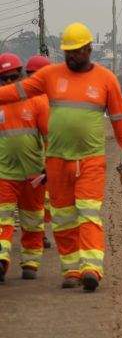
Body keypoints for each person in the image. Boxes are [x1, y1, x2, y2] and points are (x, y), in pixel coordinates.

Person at [0, 22, 122, 292]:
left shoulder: (106, 79)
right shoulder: (50, 75)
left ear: (89, 49)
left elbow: (120, 119)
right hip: (56, 161)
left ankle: (91, 269)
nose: (71, 56)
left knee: (88, 214)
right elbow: (17, 92)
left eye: (76, 51)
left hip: (90, 160)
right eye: (67, 52)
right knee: (63, 219)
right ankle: (71, 270)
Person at [0, 53, 49, 282]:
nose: (10, 82)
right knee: (2, 219)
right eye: (4, 78)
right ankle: (1, 260)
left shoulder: (37, 101)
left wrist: (51, 166)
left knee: (32, 220)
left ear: (21, 75)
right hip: (4, 174)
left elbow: (51, 137)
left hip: (33, 175)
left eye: (13, 76)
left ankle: (30, 261)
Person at [25, 55, 52, 250]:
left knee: (40, 202)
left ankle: (38, 234)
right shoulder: (44, 100)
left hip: (33, 159)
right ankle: (37, 236)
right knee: (38, 203)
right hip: (38, 160)